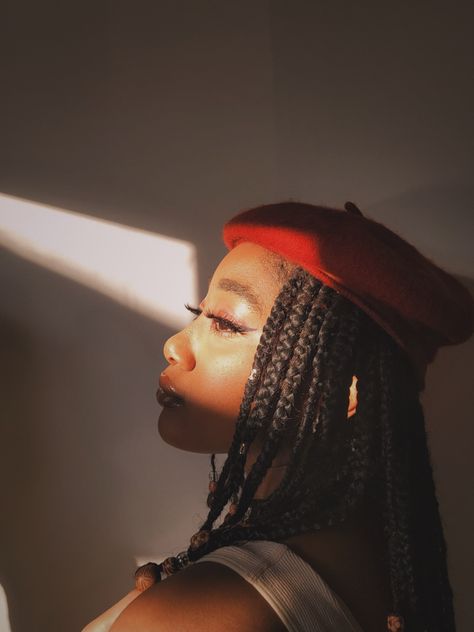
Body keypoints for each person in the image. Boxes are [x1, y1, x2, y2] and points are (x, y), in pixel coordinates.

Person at [83, 201, 473, 632]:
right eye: (197, 315)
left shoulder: (211, 608)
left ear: (344, 388)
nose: (174, 345)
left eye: (225, 323)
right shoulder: (366, 556)